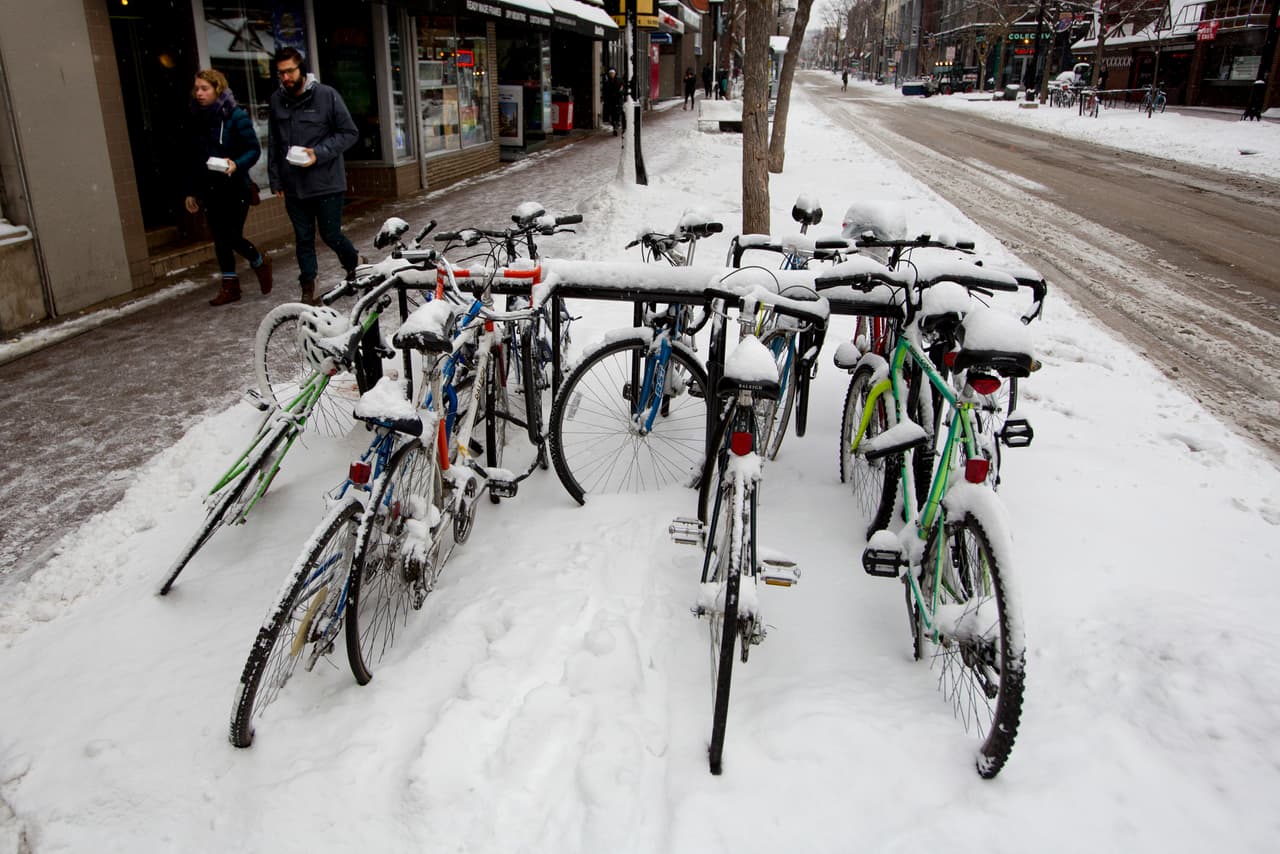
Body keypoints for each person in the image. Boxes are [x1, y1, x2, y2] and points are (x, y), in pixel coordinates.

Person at [267, 47, 359, 305]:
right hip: (293, 184)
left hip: (327, 182)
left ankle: (355, 265)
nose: (285, 78)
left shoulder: (326, 96)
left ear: (302, 70)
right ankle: (309, 285)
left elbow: (349, 133)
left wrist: (318, 153)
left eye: (289, 71)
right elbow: (274, 142)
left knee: (331, 234)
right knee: (303, 238)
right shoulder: (277, 100)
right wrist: (275, 178)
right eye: (280, 73)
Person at [184, 69, 271, 307]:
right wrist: (192, 191)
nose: (199, 93)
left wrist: (237, 164)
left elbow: (253, 150)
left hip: (235, 187)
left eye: (205, 88)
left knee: (230, 236)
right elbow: (194, 157)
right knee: (220, 239)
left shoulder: (236, 116)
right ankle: (230, 285)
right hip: (210, 189)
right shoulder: (196, 117)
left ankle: (258, 260)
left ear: (218, 89)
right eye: (197, 88)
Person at [602, 67, 626, 134]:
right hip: (611, 100)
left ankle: (618, 123)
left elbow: (623, 88)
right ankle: (614, 126)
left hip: (618, 99)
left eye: (613, 73)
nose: (612, 75)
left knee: (618, 112)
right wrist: (605, 98)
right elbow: (605, 91)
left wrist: (620, 93)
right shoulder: (607, 82)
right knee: (612, 113)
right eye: (610, 73)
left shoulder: (619, 80)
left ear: (615, 73)